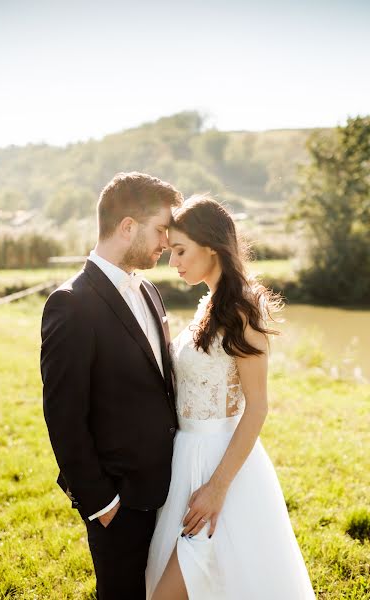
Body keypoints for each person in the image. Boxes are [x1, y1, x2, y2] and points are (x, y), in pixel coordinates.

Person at [146, 195, 315, 600]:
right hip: (184, 460)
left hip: (222, 465)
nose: (174, 262)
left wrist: (218, 487)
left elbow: (257, 407)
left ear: (212, 247)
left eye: (181, 251)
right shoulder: (209, 303)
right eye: (171, 251)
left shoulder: (242, 308)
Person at [40, 172, 183, 600]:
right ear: (127, 227)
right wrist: (102, 503)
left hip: (169, 489)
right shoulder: (71, 304)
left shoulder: (151, 292)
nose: (166, 242)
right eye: (161, 230)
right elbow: (63, 415)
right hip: (119, 503)